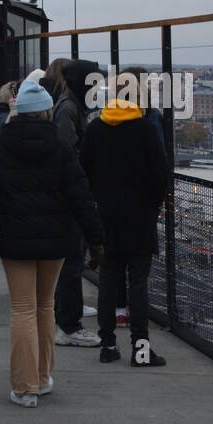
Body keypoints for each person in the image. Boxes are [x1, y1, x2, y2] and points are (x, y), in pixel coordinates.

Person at [0, 78, 104, 406]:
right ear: (45, 113)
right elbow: (81, 197)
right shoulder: (61, 147)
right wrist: (96, 240)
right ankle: (42, 377)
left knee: (22, 308)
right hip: (57, 239)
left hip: (14, 240)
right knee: (45, 306)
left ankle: (24, 386)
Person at [80, 69, 169, 366]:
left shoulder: (95, 129)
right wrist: (151, 206)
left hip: (106, 213)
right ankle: (141, 350)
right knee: (139, 283)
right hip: (140, 216)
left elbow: (85, 172)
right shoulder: (145, 130)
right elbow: (160, 176)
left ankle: (108, 346)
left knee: (108, 280)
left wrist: (99, 199)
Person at [51, 58, 103, 346]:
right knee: (72, 260)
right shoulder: (70, 109)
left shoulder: (69, 105)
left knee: (71, 260)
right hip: (70, 196)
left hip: (68, 193)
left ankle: (68, 316)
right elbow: (67, 154)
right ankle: (68, 325)